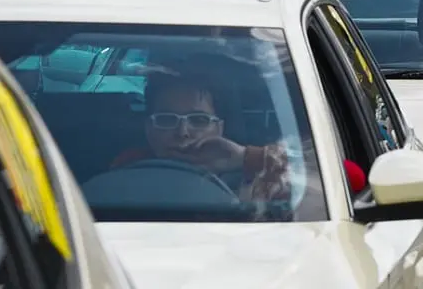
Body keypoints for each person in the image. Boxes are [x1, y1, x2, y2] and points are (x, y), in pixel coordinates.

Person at [111, 71, 292, 211]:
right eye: (166, 119)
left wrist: (244, 157)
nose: (182, 133)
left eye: (198, 120)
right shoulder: (130, 165)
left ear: (219, 128)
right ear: (149, 128)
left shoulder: (254, 179)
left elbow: (311, 179)